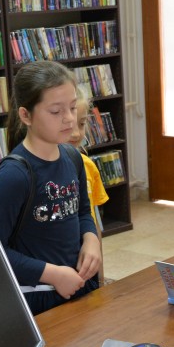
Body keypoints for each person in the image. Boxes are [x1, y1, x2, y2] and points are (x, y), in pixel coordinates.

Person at [0, 60, 102, 315]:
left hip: (77, 288)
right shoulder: (14, 175)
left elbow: (83, 212)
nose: (69, 119)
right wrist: (53, 274)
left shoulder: (72, 157)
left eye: (72, 107)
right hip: (38, 299)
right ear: (25, 115)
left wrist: (91, 239)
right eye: (56, 111)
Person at [68, 94, 109, 281]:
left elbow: (94, 220)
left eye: (82, 124)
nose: (77, 134)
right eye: (70, 124)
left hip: (87, 259)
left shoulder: (88, 166)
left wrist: (100, 277)